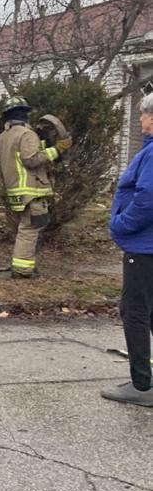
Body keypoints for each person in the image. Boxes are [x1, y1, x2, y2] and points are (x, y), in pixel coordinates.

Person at [103, 93, 153, 407]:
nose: (140, 120)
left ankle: (141, 385)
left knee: (133, 311)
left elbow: (147, 198)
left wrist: (120, 225)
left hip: (143, 245)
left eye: (143, 115)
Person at [0, 95, 71, 277]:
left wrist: (43, 141)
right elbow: (31, 160)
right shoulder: (26, 134)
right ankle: (22, 270)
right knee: (30, 228)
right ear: (24, 114)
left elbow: (23, 155)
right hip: (31, 191)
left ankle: (24, 265)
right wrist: (57, 150)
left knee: (27, 226)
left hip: (15, 190)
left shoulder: (4, 136)